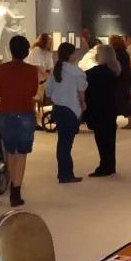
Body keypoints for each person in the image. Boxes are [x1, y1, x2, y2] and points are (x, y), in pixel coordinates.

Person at [0, 34, 40, 207]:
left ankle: (13, 184)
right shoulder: (31, 70)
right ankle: (16, 190)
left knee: (11, 152)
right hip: (25, 112)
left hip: (6, 112)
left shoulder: (2, 68)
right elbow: (34, 90)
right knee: (22, 153)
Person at [45, 41, 88, 184]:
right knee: (66, 144)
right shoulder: (76, 71)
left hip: (58, 108)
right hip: (71, 109)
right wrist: (83, 104)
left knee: (62, 142)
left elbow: (49, 92)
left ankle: (63, 172)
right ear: (70, 55)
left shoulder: (55, 70)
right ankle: (66, 174)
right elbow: (81, 91)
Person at [84, 44, 120, 176]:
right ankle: (110, 164)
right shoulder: (115, 71)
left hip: (98, 109)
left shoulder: (93, 73)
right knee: (110, 138)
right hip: (111, 109)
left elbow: (88, 92)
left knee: (101, 138)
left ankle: (105, 165)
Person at [110, 34, 131, 129]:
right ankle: (130, 120)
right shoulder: (123, 52)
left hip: (119, 78)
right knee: (125, 99)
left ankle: (115, 121)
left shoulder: (116, 53)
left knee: (116, 99)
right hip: (125, 78)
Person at [27, 33, 53, 128]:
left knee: (38, 100)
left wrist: (48, 75)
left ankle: (36, 121)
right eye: (49, 40)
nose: (50, 42)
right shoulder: (36, 50)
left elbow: (49, 66)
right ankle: (33, 122)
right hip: (33, 78)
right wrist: (47, 76)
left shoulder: (48, 52)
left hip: (42, 80)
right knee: (33, 101)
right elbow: (37, 65)